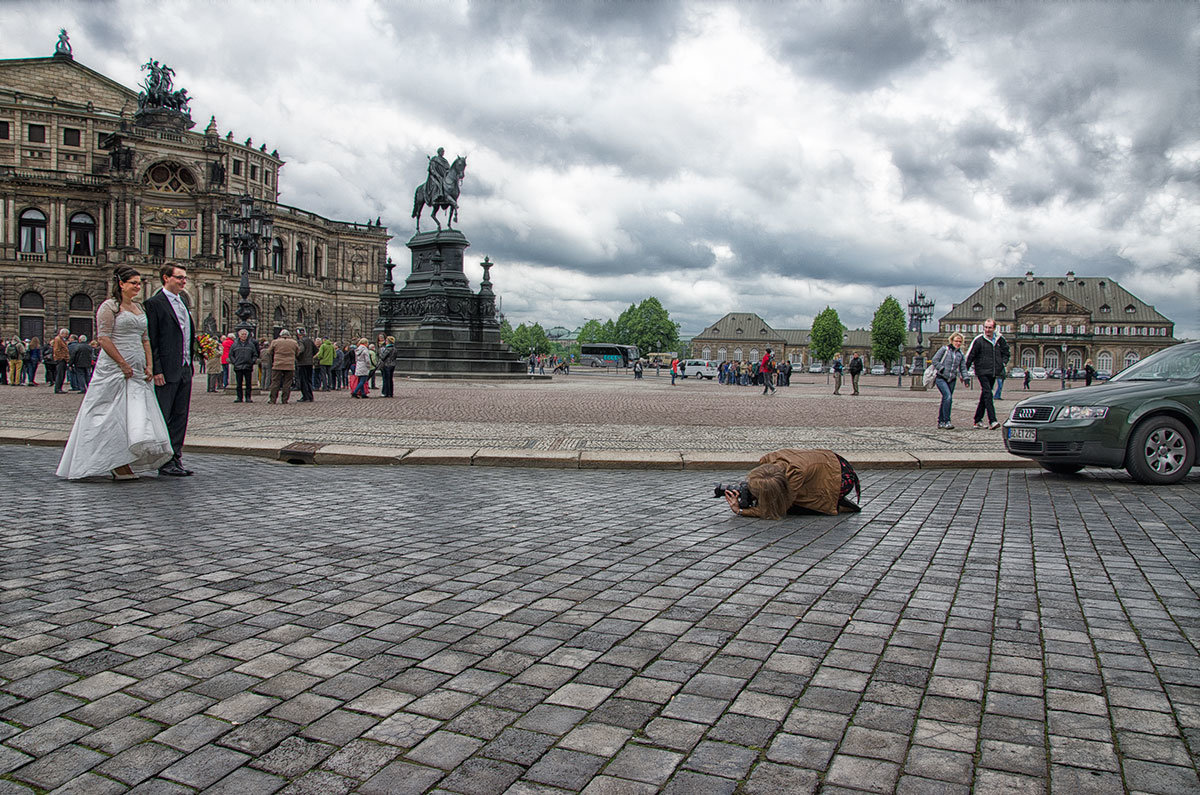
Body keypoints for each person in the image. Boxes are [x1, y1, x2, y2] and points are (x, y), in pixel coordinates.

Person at [56, 266, 173, 480]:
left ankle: (128, 456)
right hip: (114, 367)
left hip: (137, 367)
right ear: (121, 284)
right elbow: (104, 338)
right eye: (134, 283)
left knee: (136, 413)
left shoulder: (139, 308)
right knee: (111, 412)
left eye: (139, 283)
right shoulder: (109, 307)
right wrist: (122, 364)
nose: (138, 287)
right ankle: (114, 460)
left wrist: (149, 365)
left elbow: (145, 339)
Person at [146, 264, 198, 477]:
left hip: (184, 368)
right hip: (166, 370)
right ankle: (164, 459)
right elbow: (152, 338)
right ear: (166, 278)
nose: (183, 281)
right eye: (179, 278)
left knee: (180, 415)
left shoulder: (183, 303)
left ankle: (176, 456)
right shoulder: (154, 304)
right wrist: (156, 368)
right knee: (164, 415)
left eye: (184, 278)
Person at [723, 449, 861, 519]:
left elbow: (775, 510)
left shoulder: (796, 474)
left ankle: (838, 504)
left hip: (839, 479)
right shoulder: (769, 461)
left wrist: (740, 510)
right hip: (826, 462)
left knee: (793, 506)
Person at [963, 317, 1010, 430]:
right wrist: (964, 373)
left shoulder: (1000, 340)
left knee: (985, 395)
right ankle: (992, 420)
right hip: (982, 371)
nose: (987, 330)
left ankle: (977, 420)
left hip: (994, 371)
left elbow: (1006, 352)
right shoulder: (978, 340)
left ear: (994, 328)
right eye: (986, 327)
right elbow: (970, 356)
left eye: (990, 328)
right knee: (988, 394)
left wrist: (1002, 363)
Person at [930, 332, 970, 429]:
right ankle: (947, 420)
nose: (958, 343)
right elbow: (934, 360)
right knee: (948, 397)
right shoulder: (945, 350)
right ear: (952, 341)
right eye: (956, 341)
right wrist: (941, 368)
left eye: (960, 341)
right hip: (941, 377)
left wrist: (966, 378)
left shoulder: (960, 354)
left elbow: (963, 368)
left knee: (946, 399)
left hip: (951, 379)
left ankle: (941, 421)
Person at [265, 329, 300, 404]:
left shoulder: (275, 342)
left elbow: (269, 352)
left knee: (275, 382)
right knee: (287, 383)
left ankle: (273, 399)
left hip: (277, 364)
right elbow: (298, 353)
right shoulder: (294, 342)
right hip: (289, 365)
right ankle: (285, 399)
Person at [229, 329, 259, 403]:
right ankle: (239, 397)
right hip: (238, 366)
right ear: (239, 335)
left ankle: (248, 397)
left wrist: (252, 361)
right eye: (242, 334)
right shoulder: (234, 344)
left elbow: (255, 354)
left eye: (245, 334)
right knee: (239, 384)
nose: (244, 336)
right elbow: (231, 355)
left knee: (248, 383)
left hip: (248, 366)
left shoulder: (251, 345)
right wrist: (234, 362)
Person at [295, 327, 316, 402]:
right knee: (309, 380)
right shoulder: (310, 341)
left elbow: (301, 350)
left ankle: (305, 396)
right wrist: (310, 357)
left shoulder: (301, 341)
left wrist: (297, 357)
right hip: (309, 363)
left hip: (302, 363)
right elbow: (316, 350)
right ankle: (310, 396)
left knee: (303, 380)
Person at [51, 328, 70, 393]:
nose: (67, 336)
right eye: (66, 334)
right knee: (60, 374)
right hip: (61, 359)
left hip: (63, 359)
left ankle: (59, 388)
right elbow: (56, 350)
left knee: (62, 374)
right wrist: (60, 357)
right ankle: (58, 388)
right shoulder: (58, 339)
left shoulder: (61, 339)